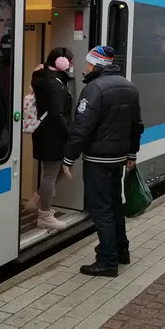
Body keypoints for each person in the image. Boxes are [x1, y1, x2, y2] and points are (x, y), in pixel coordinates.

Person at [62, 45, 143, 277]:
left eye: (88, 63)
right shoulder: (129, 87)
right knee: (115, 205)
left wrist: (69, 157)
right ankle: (121, 251)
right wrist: (132, 154)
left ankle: (107, 261)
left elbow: (81, 129)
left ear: (96, 65)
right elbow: (137, 125)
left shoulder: (94, 89)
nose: (86, 67)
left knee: (101, 210)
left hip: (97, 159)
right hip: (117, 159)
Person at [24, 47, 75, 230]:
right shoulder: (54, 83)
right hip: (53, 135)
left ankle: (37, 199)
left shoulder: (46, 77)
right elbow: (56, 113)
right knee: (51, 173)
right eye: (70, 60)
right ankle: (44, 214)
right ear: (61, 62)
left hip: (47, 133)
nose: (72, 64)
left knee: (58, 170)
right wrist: (69, 133)